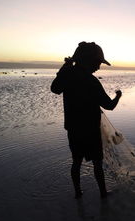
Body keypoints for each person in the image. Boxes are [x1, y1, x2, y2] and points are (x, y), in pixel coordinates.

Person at [51, 41, 122, 199]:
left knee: (76, 161)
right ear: (88, 60)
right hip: (90, 130)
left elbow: (55, 89)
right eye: (97, 62)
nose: (98, 66)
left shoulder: (68, 75)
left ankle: (78, 193)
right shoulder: (91, 81)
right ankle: (103, 193)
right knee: (97, 162)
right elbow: (109, 105)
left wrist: (65, 67)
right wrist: (118, 96)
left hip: (73, 128)